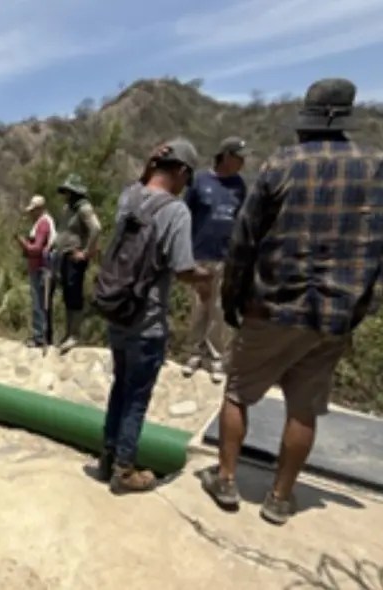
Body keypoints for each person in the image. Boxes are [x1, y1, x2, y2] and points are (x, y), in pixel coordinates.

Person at [200, 78, 383, 525]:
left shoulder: (282, 165)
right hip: (334, 316)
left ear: (306, 123)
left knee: (239, 393)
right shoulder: (381, 168)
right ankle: (281, 498)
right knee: (303, 406)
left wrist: (232, 300)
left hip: (272, 306)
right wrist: (365, 296)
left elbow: (244, 242)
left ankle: (226, 481)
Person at [96, 138, 212, 493]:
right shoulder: (175, 212)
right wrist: (206, 276)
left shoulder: (128, 198)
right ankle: (125, 469)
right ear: (181, 171)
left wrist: (148, 166)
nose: (184, 186)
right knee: (136, 397)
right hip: (147, 321)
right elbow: (182, 269)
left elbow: (139, 183)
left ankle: (107, 457)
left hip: (117, 311)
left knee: (120, 386)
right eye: (186, 179)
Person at [181, 137, 251, 383]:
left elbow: (243, 221)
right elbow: (184, 219)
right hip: (199, 256)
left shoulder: (239, 186)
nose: (242, 162)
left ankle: (216, 359)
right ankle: (193, 353)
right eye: (239, 157)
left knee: (219, 310)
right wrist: (186, 258)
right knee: (199, 307)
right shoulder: (200, 181)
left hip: (226, 258)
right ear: (226, 156)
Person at [51, 174, 103, 353]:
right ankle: (68, 332)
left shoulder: (84, 208)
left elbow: (96, 228)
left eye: (67, 191)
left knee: (74, 294)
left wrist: (86, 252)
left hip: (75, 256)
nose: (64, 194)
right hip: (64, 256)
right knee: (67, 294)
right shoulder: (68, 209)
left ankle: (75, 334)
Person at [18, 194, 57, 347]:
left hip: (40, 268)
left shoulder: (43, 224)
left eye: (34, 210)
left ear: (40, 209)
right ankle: (44, 335)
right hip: (42, 267)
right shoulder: (45, 222)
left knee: (39, 303)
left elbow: (36, 249)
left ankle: (39, 337)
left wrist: (23, 243)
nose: (31, 214)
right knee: (42, 303)